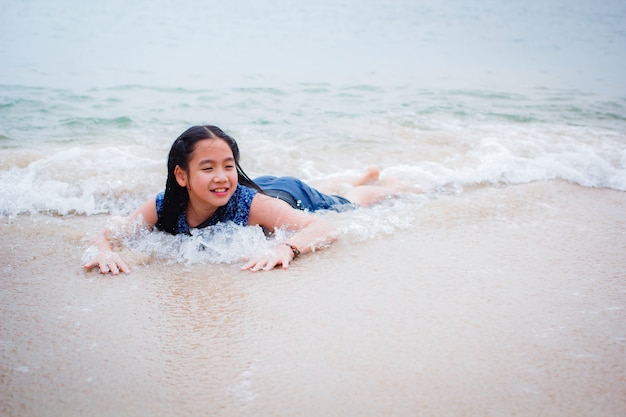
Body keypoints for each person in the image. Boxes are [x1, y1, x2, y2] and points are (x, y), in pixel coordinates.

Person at [83, 125, 419, 274]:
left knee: (346, 202)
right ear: (181, 176)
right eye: (208, 167)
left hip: (288, 195)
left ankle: (387, 185)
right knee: (330, 191)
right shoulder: (164, 207)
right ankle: (356, 176)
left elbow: (324, 227)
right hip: (269, 188)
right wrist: (104, 252)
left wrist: (286, 246)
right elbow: (110, 234)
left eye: (229, 166)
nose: (222, 176)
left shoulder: (250, 205)